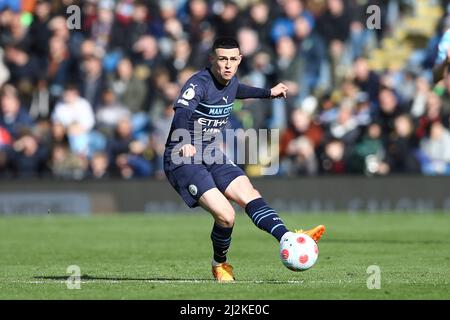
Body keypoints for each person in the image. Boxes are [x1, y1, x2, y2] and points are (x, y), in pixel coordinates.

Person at [163, 37, 326, 282]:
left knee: (248, 191)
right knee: (227, 216)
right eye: (222, 59)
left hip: (210, 152)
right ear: (212, 60)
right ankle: (219, 264)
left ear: (239, 60)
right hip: (183, 157)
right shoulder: (198, 83)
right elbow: (182, 112)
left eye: (232, 59)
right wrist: (185, 140)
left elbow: (240, 90)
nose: (228, 65)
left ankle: (288, 238)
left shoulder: (232, 82)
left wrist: (269, 93)